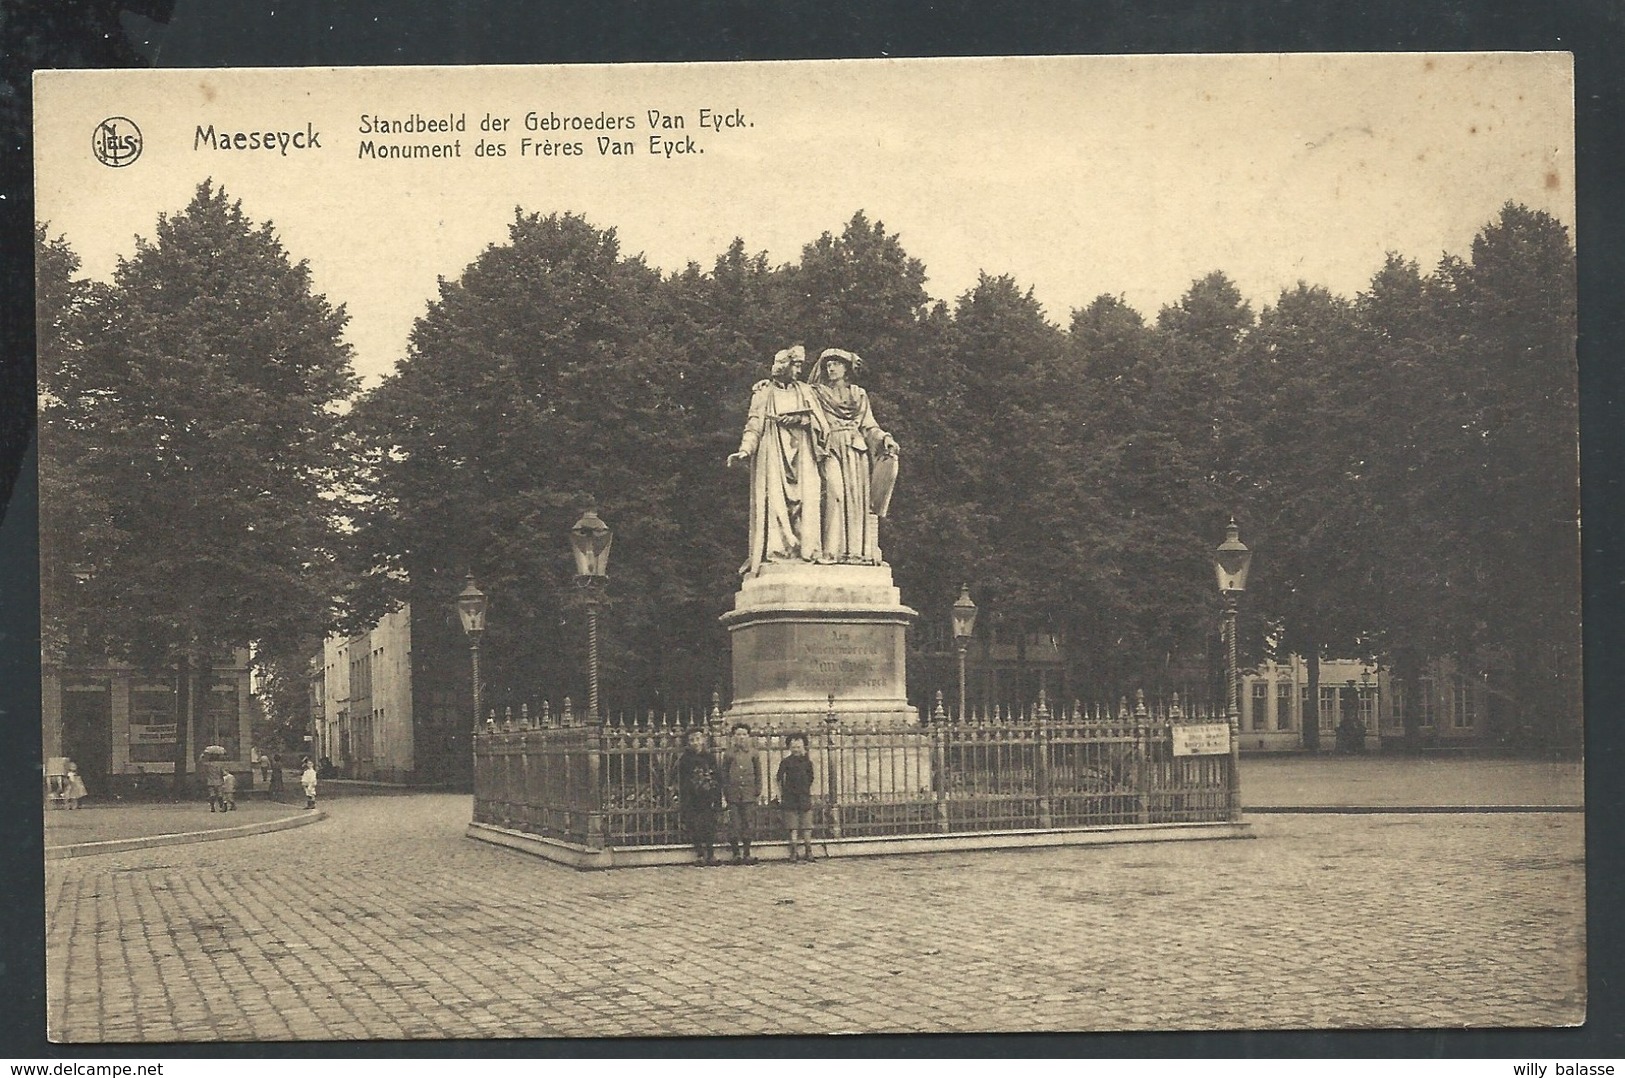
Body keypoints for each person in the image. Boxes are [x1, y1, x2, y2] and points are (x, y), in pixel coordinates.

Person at [727, 345, 828, 576]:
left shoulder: (805, 391)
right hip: (774, 454)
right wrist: (745, 450)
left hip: (803, 455)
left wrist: (801, 421)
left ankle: (808, 550)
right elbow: (753, 425)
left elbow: (822, 425)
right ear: (784, 366)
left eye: (801, 365)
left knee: (808, 499)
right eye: (796, 365)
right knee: (776, 504)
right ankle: (780, 552)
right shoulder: (764, 393)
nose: (799, 370)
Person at [809, 348, 898, 564]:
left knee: (857, 501)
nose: (831, 368)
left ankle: (856, 553)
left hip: (855, 451)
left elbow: (869, 426)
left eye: (836, 364)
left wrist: (884, 437)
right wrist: (766, 385)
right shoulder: (816, 392)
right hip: (830, 448)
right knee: (836, 493)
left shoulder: (858, 394)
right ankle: (831, 551)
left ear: (846, 368)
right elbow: (791, 392)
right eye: (828, 364)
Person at [675, 728, 722, 865]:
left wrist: (716, 795)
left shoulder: (709, 757)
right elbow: (682, 780)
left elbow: (716, 777)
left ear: (703, 740)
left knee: (709, 824)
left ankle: (711, 853)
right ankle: (700, 854)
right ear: (688, 743)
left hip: (707, 796)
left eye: (698, 739)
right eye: (692, 740)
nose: (695, 743)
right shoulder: (685, 759)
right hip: (691, 797)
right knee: (694, 825)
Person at [720, 723, 762, 865]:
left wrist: (757, 789)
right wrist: (725, 791)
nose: (741, 737)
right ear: (733, 737)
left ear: (748, 736)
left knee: (748, 823)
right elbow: (724, 774)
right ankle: (735, 853)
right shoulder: (728, 754)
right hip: (733, 794)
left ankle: (747, 853)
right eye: (738, 734)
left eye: (744, 734)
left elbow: (758, 773)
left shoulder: (753, 753)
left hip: (749, 793)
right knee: (734, 823)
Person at [775, 733, 816, 862]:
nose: (796, 750)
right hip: (790, 797)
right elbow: (778, 778)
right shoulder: (786, 762)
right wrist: (780, 794)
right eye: (793, 747)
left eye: (799, 747)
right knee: (792, 826)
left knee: (807, 825)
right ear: (789, 748)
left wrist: (810, 792)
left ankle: (808, 850)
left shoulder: (807, 762)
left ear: (803, 747)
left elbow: (812, 778)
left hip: (804, 796)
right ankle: (793, 851)